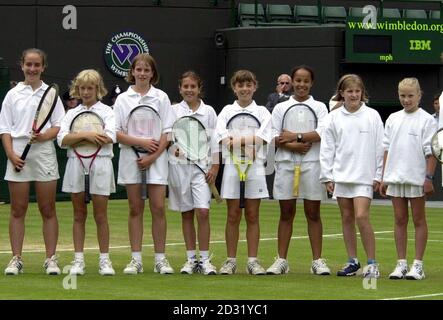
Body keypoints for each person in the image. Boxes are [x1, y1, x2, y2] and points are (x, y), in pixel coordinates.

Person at [0, 48, 65, 275]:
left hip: (44, 152)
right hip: (18, 152)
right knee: (18, 209)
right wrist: (10, 154)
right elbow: (5, 128)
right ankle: (16, 258)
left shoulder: (51, 94)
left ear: (43, 67)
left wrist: (45, 136)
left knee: (48, 208)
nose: (32, 69)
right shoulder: (12, 94)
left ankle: (51, 259)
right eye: (29, 64)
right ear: (22, 65)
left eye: (37, 65)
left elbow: (58, 125)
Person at [114, 53, 176, 275]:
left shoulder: (161, 98)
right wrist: (140, 143)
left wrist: (151, 156)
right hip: (130, 159)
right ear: (132, 72)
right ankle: (136, 259)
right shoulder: (122, 100)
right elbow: (117, 132)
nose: (142, 73)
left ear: (152, 74)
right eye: (138, 69)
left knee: (158, 207)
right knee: (135, 208)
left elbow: (167, 133)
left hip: (157, 160)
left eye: (146, 70)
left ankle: (161, 259)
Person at [266, 65, 330, 275]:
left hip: (312, 166)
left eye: (306, 81)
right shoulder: (280, 108)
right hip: (285, 165)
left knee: (313, 213)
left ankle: (317, 261)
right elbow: (274, 136)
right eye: (298, 80)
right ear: (292, 82)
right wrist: (292, 146)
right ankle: (282, 260)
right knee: (286, 213)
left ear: (311, 83)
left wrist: (295, 136)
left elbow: (322, 133)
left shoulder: (320, 107)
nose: (301, 84)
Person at [319, 74, 384, 279]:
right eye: (350, 91)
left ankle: (372, 264)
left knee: (362, 217)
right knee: (347, 218)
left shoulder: (372, 115)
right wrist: (327, 177)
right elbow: (327, 149)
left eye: (357, 91)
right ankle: (353, 261)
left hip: (364, 176)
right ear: (342, 93)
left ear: (362, 93)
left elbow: (380, 146)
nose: (354, 95)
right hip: (341, 176)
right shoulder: (332, 118)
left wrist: (378, 174)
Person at [57, 69, 116, 276]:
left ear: (97, 89)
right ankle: (78, 260)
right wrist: (90, 134)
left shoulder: (108, 112)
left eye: (90, 88)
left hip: (101, 164)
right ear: (77, 89)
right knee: (78, 214)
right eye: (82, 88)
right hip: (76, 164)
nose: (86, 92)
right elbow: (62, 139)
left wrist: (78, 137)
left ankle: (105, 261)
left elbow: (108, 137)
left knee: (101, 215)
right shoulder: (71, 113)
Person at [214, 70, 272, 275]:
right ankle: (230, 261)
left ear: (255, 87)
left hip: (255, 168)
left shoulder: (263, 112)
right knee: (233, 215)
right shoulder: (227, 111)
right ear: (234, 88)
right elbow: (221, 137)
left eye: (248, 85)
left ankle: (253, 261)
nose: (245, 89)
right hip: (232, 168)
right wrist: (248, 143)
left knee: (253, 215)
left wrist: (237, 141)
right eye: (241, 85)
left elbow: (264, 137)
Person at [380, 78, 437, 280]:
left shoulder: (427, 120)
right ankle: (401, 263)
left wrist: (428, 177)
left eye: (410, 95)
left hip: (417, 179)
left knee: (419, 220)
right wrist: (383, 177)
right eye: (402, 95)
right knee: (399, 220)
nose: (406, 100)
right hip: (395, 177)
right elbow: (386, 149)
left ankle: (418, 265)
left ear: (419, 95)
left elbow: (432, 152)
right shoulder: (393, 118)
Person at [168, 71, 219, 275]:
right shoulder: (172, 111)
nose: (189, 90)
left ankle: (205, 260)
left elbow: (215, 142)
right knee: (186, 213)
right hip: (179, 168)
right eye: (185, 86)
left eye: (193, 87)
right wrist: (174, 149)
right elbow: (168, 139)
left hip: (202, 169)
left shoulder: (209, 112)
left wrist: (215, 167)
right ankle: (191, 259)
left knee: (203, 212)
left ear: (199, 89)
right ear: (180, 88)